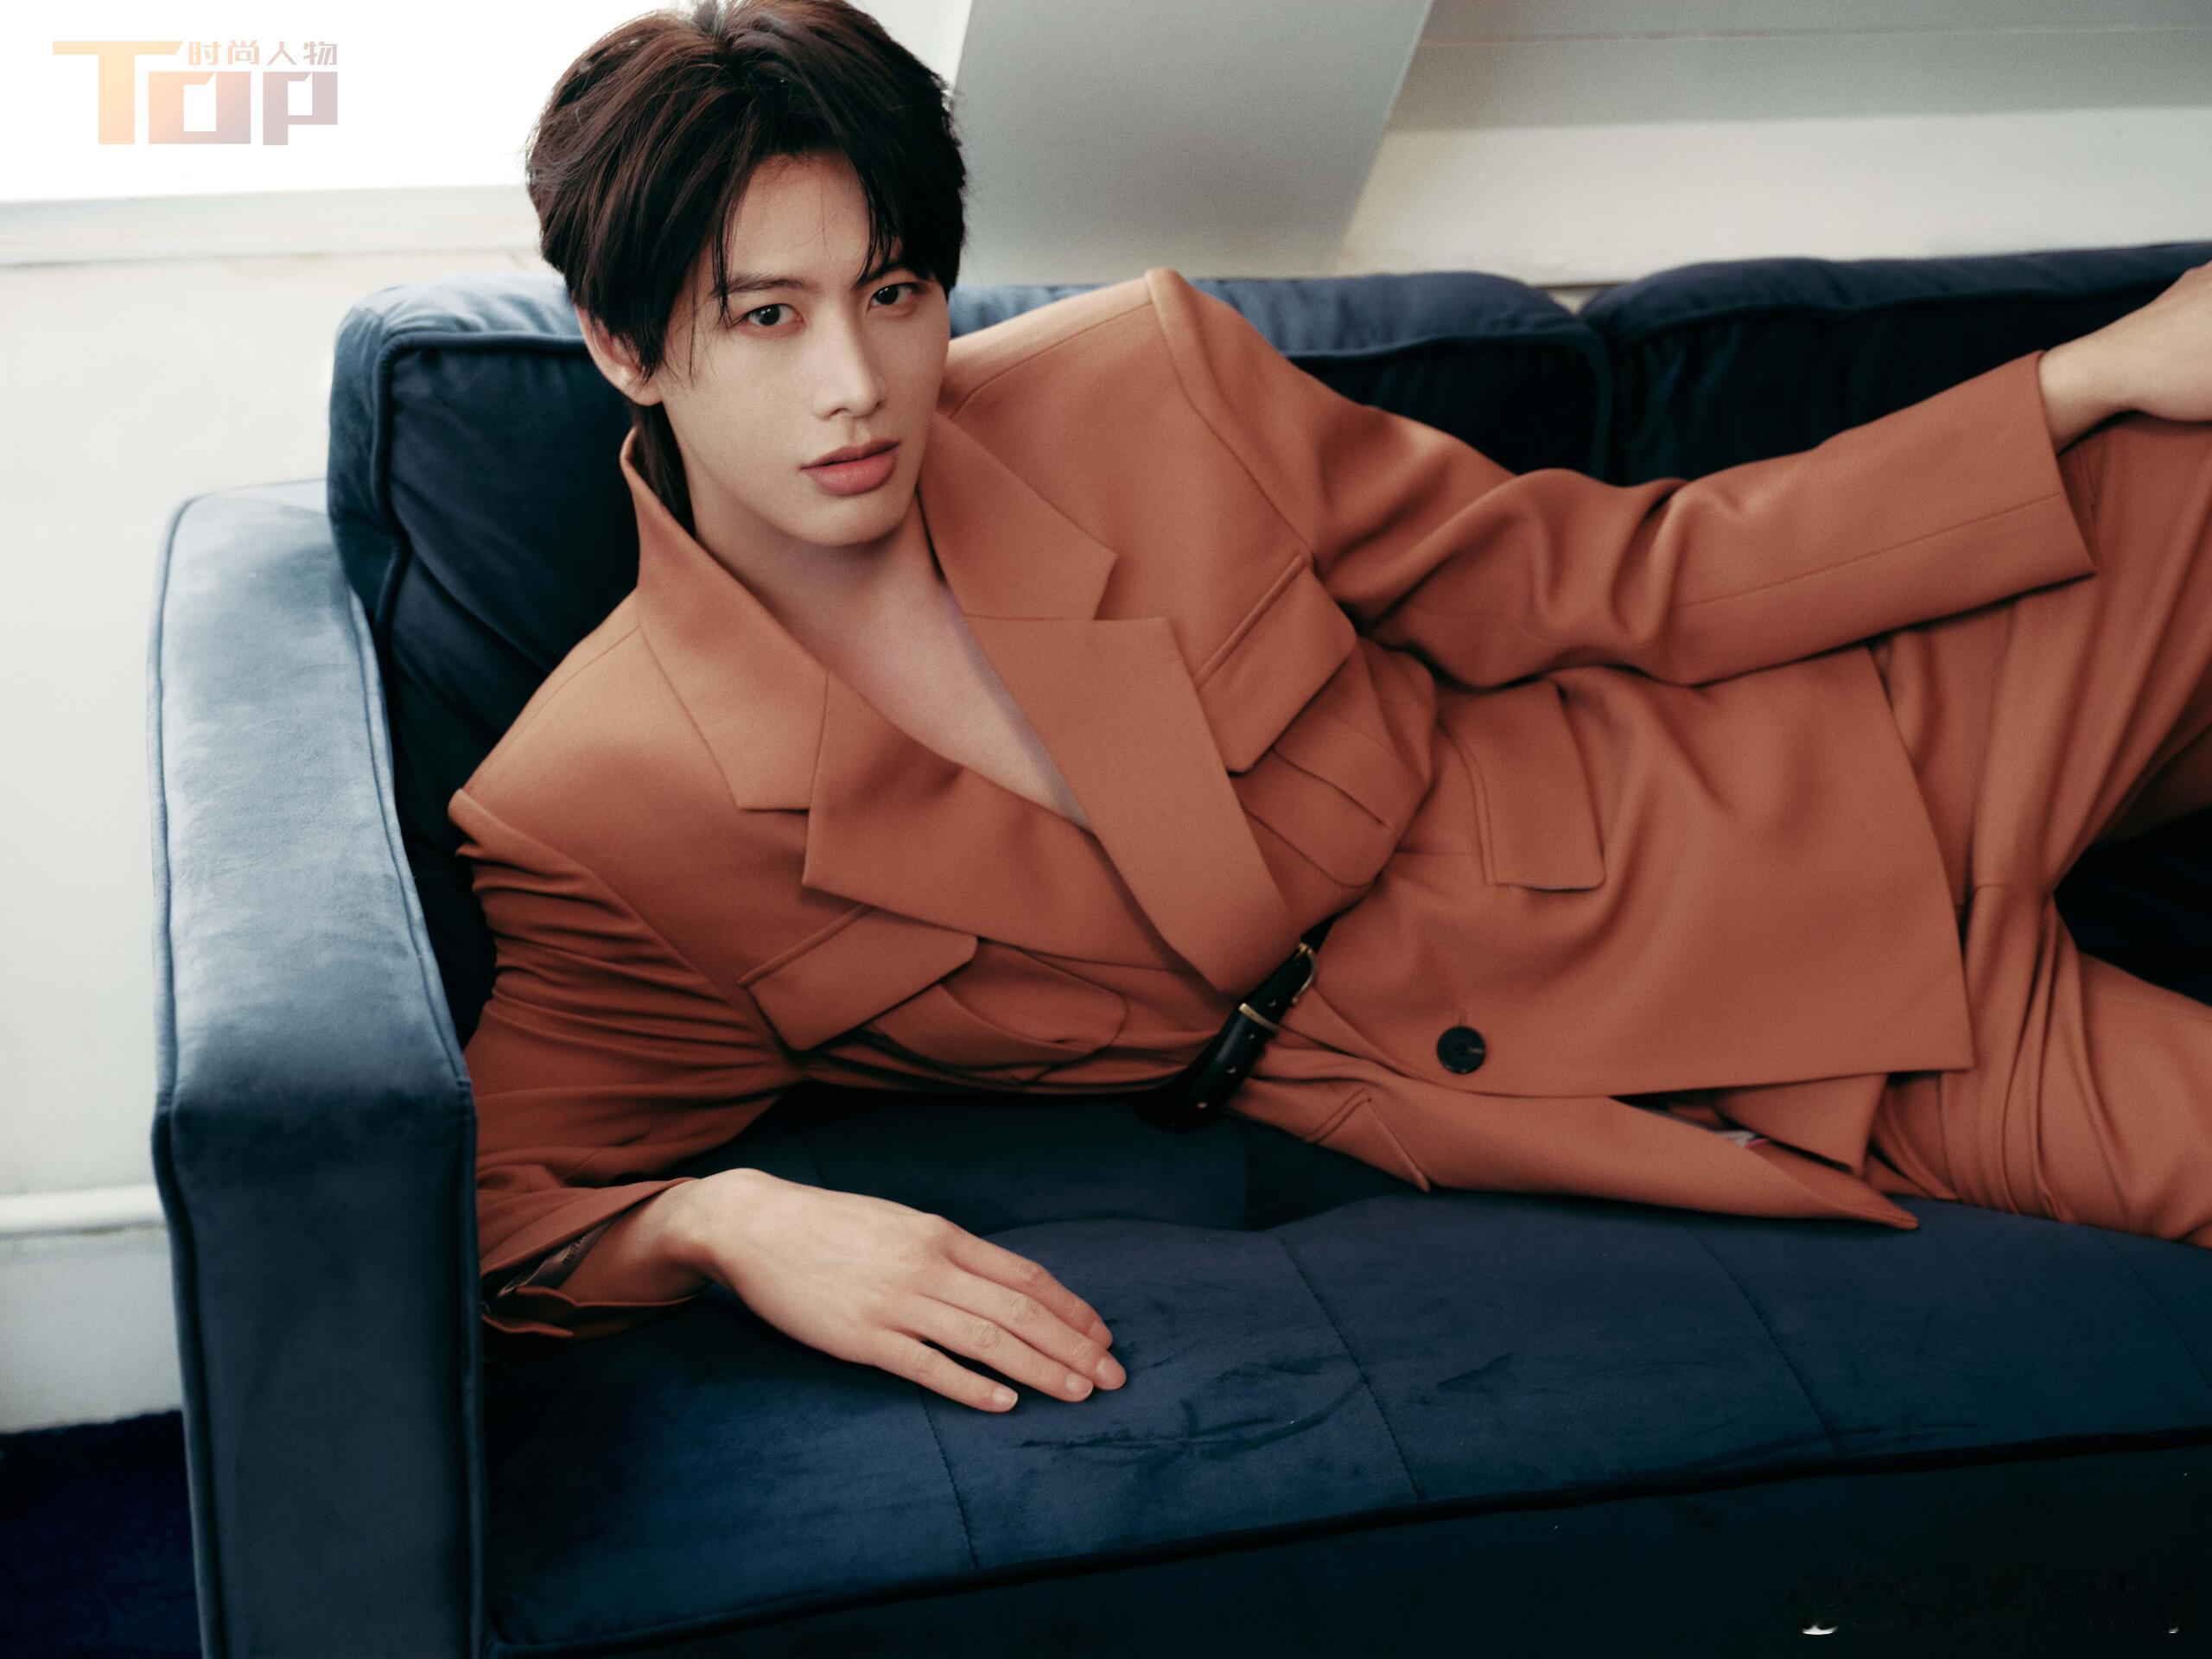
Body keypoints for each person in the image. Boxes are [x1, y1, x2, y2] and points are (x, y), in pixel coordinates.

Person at [454, 0, 2212, 1414]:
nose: (856, 382)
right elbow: (482, 1208)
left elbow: (1621, 578)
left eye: (892, 293)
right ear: (621, 344)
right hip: (1746, 1037)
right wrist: (722, 1224)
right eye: (765, 316)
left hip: (1785, 754)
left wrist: (2077, 381)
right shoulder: (601, 809)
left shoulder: (1142, 383)